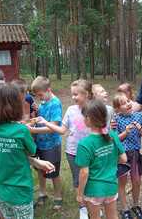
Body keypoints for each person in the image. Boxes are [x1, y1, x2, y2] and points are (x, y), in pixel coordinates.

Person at [0, 82, 54, 219]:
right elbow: (31, 151)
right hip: (19, 190)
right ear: (14, 105)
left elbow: (7, 153)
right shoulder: (21, 130)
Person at [38, 79, 92, 218]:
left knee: (91, 178)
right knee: (77, 179)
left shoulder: (94, 109)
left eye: (76, 94)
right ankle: (82, 207)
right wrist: (46, 123)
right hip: (73, 151)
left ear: (87, 94)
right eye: (72, 94)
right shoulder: (71, 110)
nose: (73, 97)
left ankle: (94, 203)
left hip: (92, 151)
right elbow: (62, 130)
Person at [75, 99, 127, 219]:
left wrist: (79, 194)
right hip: (111, 186)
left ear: (88, 119)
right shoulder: (112, 135)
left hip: (94, 190)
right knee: (113, 216)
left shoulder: (84, 144)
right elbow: (123, 159)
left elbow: (84, 172)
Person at [28, 76, 63, 210]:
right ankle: (42, 193)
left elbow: (53, 125)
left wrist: (33, 131)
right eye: (37, 96)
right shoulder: (43, 103)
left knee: (53, 171)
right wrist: (35, 120)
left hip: (51, 145)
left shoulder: (55, 103)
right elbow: (43, 120)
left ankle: (58, 196)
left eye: (41, 95)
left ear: (48, 90)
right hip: (40, 144)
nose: (39, 98)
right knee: (40, 170)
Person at [112, 93, 142, 219]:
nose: (128, 104)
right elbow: (115, 139)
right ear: (117, 109)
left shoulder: (139, 116)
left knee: (137, 181)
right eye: (123, 103)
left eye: (128, 101)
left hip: (135, 154)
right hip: (122, 155)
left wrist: (140, 130)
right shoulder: (115, 119)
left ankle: (135, 205)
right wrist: (125, 132)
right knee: (122, 182)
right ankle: (124, 208)